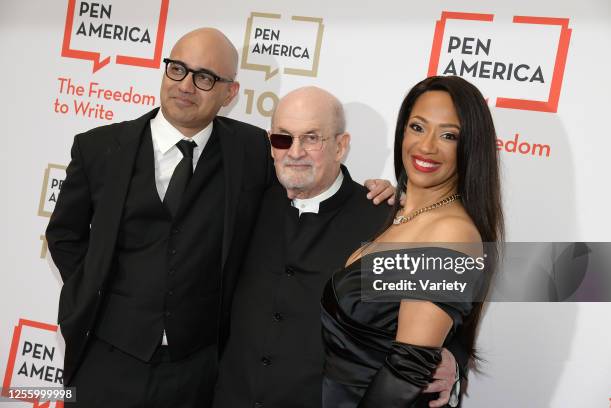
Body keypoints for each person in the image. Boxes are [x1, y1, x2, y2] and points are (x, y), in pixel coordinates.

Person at [46, 29, 393, 407]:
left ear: (230, 93)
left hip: (197, 373)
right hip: (105, 359)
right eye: (177, 69)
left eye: (206, 77)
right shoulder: (98, 148)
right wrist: (99, 291)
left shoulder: (251, 150)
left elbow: (310, 176)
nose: (186, 85)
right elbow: (64, 235)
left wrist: (388, 196)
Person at [213, 86, 466, 408]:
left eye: (312, 138)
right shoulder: (244, 202)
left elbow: (443, 316)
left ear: (341, 146)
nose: (295, 152)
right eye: (283, 138)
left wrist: (452, 363)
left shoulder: (386, 222)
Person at [320, 76, 504, 407]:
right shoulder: (394, 214)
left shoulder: (451, 233)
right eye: (418, 127)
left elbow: (407, 370)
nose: (427, 146)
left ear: (469, 147)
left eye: (448, 135)